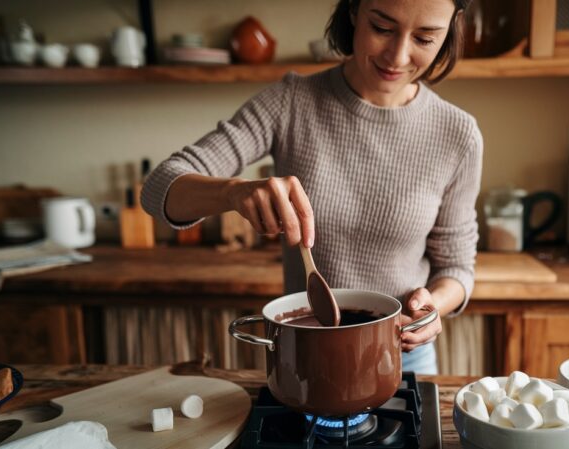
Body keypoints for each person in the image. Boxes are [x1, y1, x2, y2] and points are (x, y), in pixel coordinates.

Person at [141, 0, 482, 375]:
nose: (398, 56)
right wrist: (232, 192)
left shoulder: (458, 134)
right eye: (382, 28)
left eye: (424, 37)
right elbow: (159, 188)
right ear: (354, 12)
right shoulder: (291, 103)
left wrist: (434, 305)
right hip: (306, 349)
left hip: (402, 353)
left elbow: (456, 267)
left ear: (448, 32)